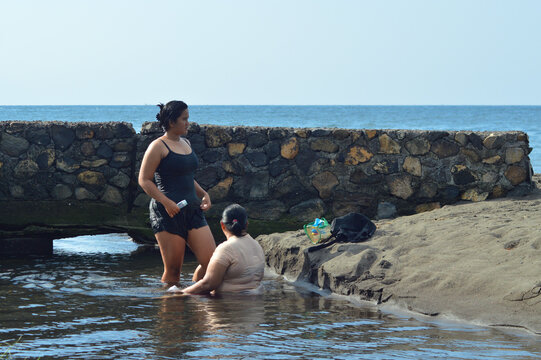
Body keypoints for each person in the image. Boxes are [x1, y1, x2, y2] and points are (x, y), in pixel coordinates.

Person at [138, 100, 216, 286]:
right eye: (184, 119)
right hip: (167, 213)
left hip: (193, 211)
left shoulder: (186, 143)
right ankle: (171, 312)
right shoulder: (158, 146)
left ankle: (195, 295)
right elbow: (144, 180)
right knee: (173, 272)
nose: (188, 123)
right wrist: (166, 202)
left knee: (212, 263)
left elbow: (187, 177)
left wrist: (204, 194)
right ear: (172, 122)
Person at [171, 204, 265, 295]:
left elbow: (209, 284)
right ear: (247, 224)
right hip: (255, 300)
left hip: (230, 304)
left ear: (222, 225)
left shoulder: (226, 248)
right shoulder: (257, 245)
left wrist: (180, 292)